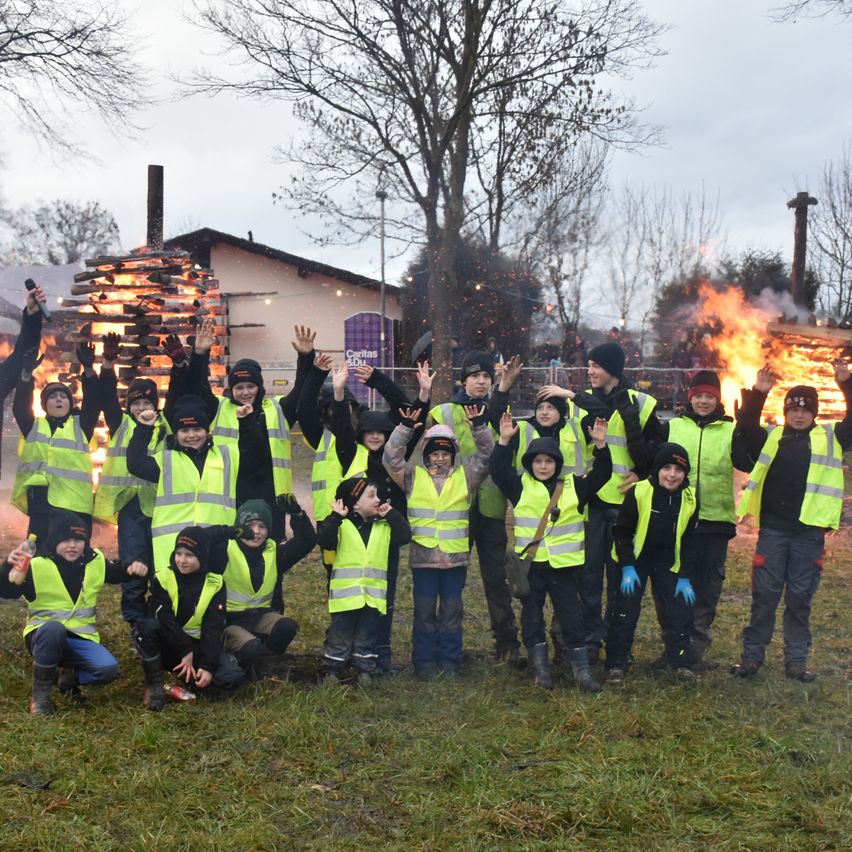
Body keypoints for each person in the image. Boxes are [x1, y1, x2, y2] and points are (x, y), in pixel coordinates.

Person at [539, 341, 661, 662]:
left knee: (621, 579)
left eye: (596, 366)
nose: (590, 371)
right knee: (589, 577)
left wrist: (641, 472)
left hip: (627, 505)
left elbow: (655, 450)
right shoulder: (581, 405)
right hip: (593, 502)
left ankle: (618, 645)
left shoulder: (641, 403)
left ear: (613, 369)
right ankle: (592, 640)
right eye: (589, 365)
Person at [731, 362, 852, 682]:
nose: (799, 415)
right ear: (785, 411)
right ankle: (751, 658)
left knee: (799, 599)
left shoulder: (832, 437)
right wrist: (759, 393)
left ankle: (796, 662)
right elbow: (746, 429)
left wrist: (846, 383)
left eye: (805, 410)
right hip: (774, 530)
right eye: (793, 409)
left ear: (814, 413)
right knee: (765, 596)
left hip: (809, 534)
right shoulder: (772, 437)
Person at [489, 411, 611, 691]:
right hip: (532, 567)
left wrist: (601, 446)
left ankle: (581, 671)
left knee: (572, 617)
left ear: (557, 464)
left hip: (564, 567)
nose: (543, 466)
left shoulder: (573, 486)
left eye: (549, 461)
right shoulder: (520, 486)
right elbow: (497, 469)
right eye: (537, 461)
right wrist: (504, 441)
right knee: (532, 617)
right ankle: (540, 668)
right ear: (529, 464)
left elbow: (602, 474)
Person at [647, 369, 754, 670]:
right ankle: (673, 647)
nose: (704, 401)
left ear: (717, 399)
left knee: (706, 588)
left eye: (709, 396)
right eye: (699, 396)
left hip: (715, 521)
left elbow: (746, 462)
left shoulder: (730, 430)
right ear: (690, 398)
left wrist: (746, 425)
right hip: (675, 520)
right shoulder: (673, 427)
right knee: (668, 585)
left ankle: (694, 650)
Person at [384, 400, 494, 679]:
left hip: (455, 559)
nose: (440, 458)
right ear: (426, 455)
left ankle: (450, 661)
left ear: (454, 454)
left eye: (446, 453)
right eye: (435, 453)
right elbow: (391, 458)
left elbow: (487, 455)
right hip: (424, 560)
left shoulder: (466, 477)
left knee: (451, 611)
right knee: (423, 612)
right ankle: (423, 662)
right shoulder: (412, 477)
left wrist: (479, 428)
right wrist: (405, 428)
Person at [0, 510, 148, 715]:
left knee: (108, 670)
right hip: (43, 637)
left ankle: (66, 679)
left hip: (80, 638)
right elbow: (7, 591)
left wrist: (132, 568)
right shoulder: (36, 565)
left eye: (78, 540)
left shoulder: (94, 560)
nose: (72, 545)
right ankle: (41, 696)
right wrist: (7, 566)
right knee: (53, 629)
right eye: (66, 540)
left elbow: (117, 573)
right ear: (54, 541)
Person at [187, 318, 317, 542]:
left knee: (271, 547)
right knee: (233, 546)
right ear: (231, 390)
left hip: (271, 493)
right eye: (239, 387)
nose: (245, 392)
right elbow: (197, 387)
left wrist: (305, 357)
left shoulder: (277, 409)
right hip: (231, 490)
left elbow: (302, 391)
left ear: (260, 387)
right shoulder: (219, 408)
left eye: (251, 386)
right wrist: (200, 354)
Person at [429, 350, 522, 664]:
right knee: (451, 579)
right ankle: (448, 645)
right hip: (456, 508)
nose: (481, 381)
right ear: (463, 380)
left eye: (486, 376)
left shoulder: (499, 412)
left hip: (492, 509)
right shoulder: (443, 413)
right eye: (474, 376)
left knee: (496, 579)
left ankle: (507, 643)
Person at [327, 360, 416, 673]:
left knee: (384, 594)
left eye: (381, 432)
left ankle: (381, 652)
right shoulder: (351, 453)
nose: (376, 437)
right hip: (354, 534)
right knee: (350, 597)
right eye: (369, 432)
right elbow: (341, 426)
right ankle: (343, 652)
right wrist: (339, 393)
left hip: (386, 533)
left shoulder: (396, 456)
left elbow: (409, 411)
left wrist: (379, 380)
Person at [94, 332, 183, 632]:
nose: (141, 408)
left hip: (161, 506)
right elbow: (107, 396)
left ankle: (159, 614)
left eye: (147, 402)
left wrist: (178, 366)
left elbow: (176, 395)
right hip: (130, 507)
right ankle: (135, 619)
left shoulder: (166, 425)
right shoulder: (120, 423)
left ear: (155, 404)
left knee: (161, 563)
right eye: (136, 403)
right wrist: (108, 365)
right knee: (133, 563)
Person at [126, 393, 253, 572]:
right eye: (184, 431)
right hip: (175, 549)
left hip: (216, 545)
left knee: (214, 588)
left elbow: (255, 454)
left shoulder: (226, 455)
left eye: (197, 429)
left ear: (206, 431)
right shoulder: (166, 460)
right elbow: (135, 464)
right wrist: (144, 428)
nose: (191, 435)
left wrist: (247, 422)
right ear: (176, 434)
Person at [605, 443, 698, 683]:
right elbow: (622, 531)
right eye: (666, 468)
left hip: (668, 560)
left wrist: (685, 576)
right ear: (657, 470)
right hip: (635, 560)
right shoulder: (639, 492)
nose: (672, 475)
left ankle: (680, 663)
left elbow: (690, 540)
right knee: (624, 611)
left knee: (679, 611)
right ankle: (616, 663)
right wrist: (627, 566)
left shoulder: (690, 498)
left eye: (678, 469)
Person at [134, 525, 247, 710]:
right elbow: (163, 618)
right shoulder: (163, 578)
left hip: (198, 645)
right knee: (146, 627)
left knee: (232, 677)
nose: (182, 560)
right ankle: (155, 685)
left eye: (189, 555)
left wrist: (208, 666)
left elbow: (213, 627)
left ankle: (189, 680)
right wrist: (185, 650)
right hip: (171, 644)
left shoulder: (215, 583)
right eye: (178, 554)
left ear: (202, 556)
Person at [317, 477, 411, 685]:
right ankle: (332, 669)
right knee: (340, 635)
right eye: (371, 496)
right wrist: (335, 517)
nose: (378, 499)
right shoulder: (341, 526)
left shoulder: (383, 526)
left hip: (372, 596)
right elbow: (325, 540)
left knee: (366, 636)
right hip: (345, 598)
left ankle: (364, 670)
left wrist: (392, 514)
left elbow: (405, 536)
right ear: (355, 503)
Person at [12, 340, 101, 546]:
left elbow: (93, 403)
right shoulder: (34, 426)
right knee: (39, 552)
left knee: (74, 553)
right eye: (53, 397)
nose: (59, 399)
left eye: (64, 396)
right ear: (44, 405)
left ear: (70, 403)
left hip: (75, 504)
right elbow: (20, 408)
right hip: (42, 504)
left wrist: (89, 370)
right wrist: (25, 374)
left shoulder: (81, 425)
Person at [221, 498, 316, 679]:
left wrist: (297, 514)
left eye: (262, 526)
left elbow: (307, 541)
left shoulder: (273, 552)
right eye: (250, 525)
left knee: (287, 627)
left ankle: (263, 666)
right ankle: (238, 664)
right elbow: (199, 539)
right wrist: (225, 532)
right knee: (251, 648)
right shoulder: (224, 550)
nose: (256, 531)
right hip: (228, 620)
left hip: (258, 616)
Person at [670, 330, 694, 408]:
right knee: (677, 388)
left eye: (686, 336)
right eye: (683, 336)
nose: (684, 338)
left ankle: (687, 405)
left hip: (687, 370)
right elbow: (673, 358)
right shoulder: (676, 347)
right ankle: (675, 405)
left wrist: (689, 369)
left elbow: (691, 359)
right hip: (678, 370)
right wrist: (678, 367)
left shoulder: (689, 347)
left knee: (687, 388)